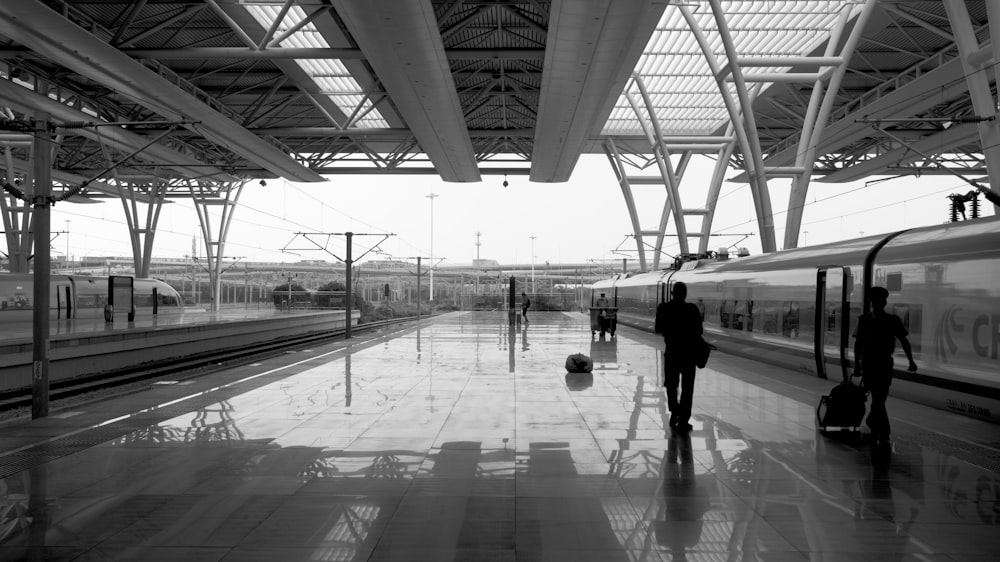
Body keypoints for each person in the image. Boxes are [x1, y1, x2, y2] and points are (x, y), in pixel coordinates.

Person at [852, 286, 917, 445]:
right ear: (884, 301)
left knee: (878, 400)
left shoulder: (864, 320)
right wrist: (910, 361)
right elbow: (904, 341)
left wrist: (857, 365)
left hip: (874, 363)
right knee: (879, 399)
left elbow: (858, 344)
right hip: (880, 364)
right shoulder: (891, 320)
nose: (876, 303)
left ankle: (876, 426)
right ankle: (882, 431)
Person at [654, 282, 703, 431]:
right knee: (688, 388)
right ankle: (684, 419)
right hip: (689, 354)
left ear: (672, 293)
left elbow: (658, 329)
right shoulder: (692, 309)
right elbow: (699, 331)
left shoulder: (664, 308)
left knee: (671, 385)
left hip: (672, 353)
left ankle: (675, 412)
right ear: (685, 294)